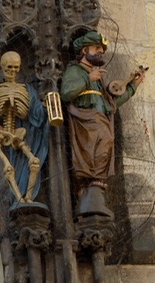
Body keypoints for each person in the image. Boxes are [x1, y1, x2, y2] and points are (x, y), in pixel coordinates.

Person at [60, 31, 146, 213]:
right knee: (98, 145)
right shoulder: (75, 71)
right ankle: (88, 188)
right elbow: (66, 93)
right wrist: (87, 78)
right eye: (97, 48)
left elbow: (111, 104)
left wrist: (133, 86)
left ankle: (93, 189)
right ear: (85, 50)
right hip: (85, 123)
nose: (101, 52)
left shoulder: (98, 76)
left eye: (102, 49)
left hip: (101, 120)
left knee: (105, 144)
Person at [0, 51, 48, 203]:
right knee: (8, 167)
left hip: (20, 132)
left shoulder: (26, 90)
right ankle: (18, 198)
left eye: (16, 68)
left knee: (34, 161)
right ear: (3, 68)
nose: (12, 71)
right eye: (9, 68)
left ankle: (29, 196)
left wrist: (46, 105)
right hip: (1, 132)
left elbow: (35, 111)